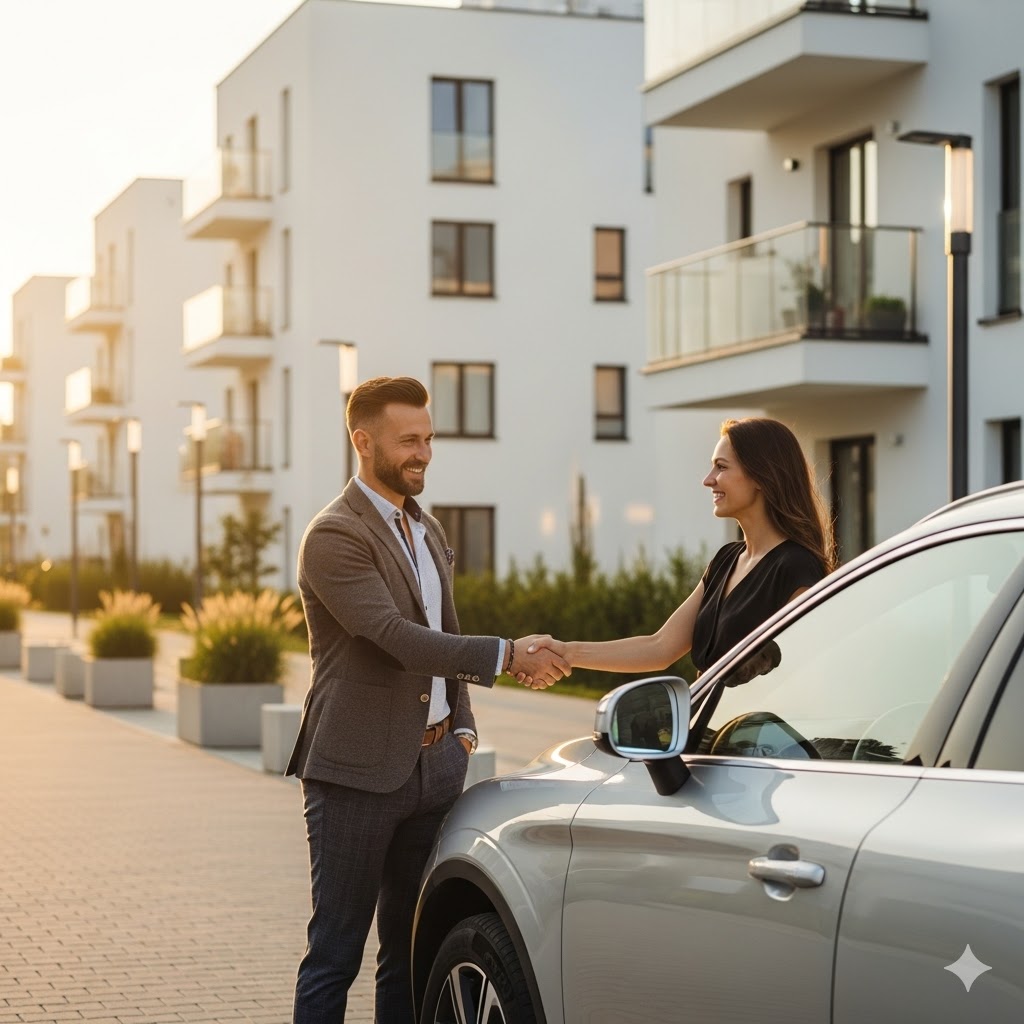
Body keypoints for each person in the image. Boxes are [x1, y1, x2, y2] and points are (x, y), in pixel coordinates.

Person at [287, 375, 568, 1022]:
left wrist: (462, 730)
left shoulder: (427, 528)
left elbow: (443, 631)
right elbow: (395, 638)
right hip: (355, 775)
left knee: (409, 952)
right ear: (363, 441)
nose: (424, 452)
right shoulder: (333, 535)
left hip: (435, 770)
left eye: (429, 438)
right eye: (408, 440)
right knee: (335, 953)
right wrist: (505, 654)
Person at [527, 417, 835, 679]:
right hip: (709, 735)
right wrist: (566, 652)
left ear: (761, 476)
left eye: (721, 467)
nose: (707, 480)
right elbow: (659, 647)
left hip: (757, 743)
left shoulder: (797, 567)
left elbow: (807, 671)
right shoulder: (726, 560)